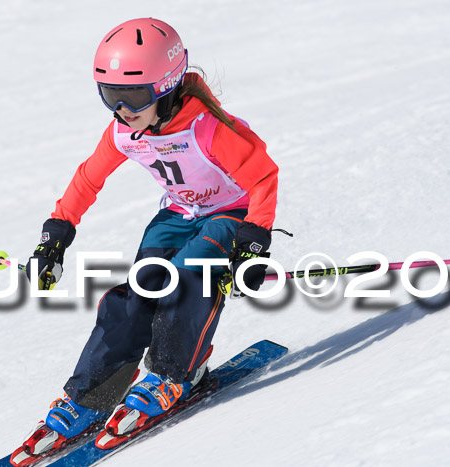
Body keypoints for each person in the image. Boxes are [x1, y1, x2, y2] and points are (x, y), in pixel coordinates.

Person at [21, 17, 278, 456]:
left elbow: (263, 178)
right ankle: (91, 395)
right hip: (178, 214)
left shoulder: (209, 128)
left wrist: (254, 240)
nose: (122, 107)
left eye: (134, 94)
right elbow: (88, 179)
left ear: (168, 83)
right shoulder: (125, 130)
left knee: (183, 281)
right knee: (136, 293)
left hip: (230, 213)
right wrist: (56, 235)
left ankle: (175, 375)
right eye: (110, 95)